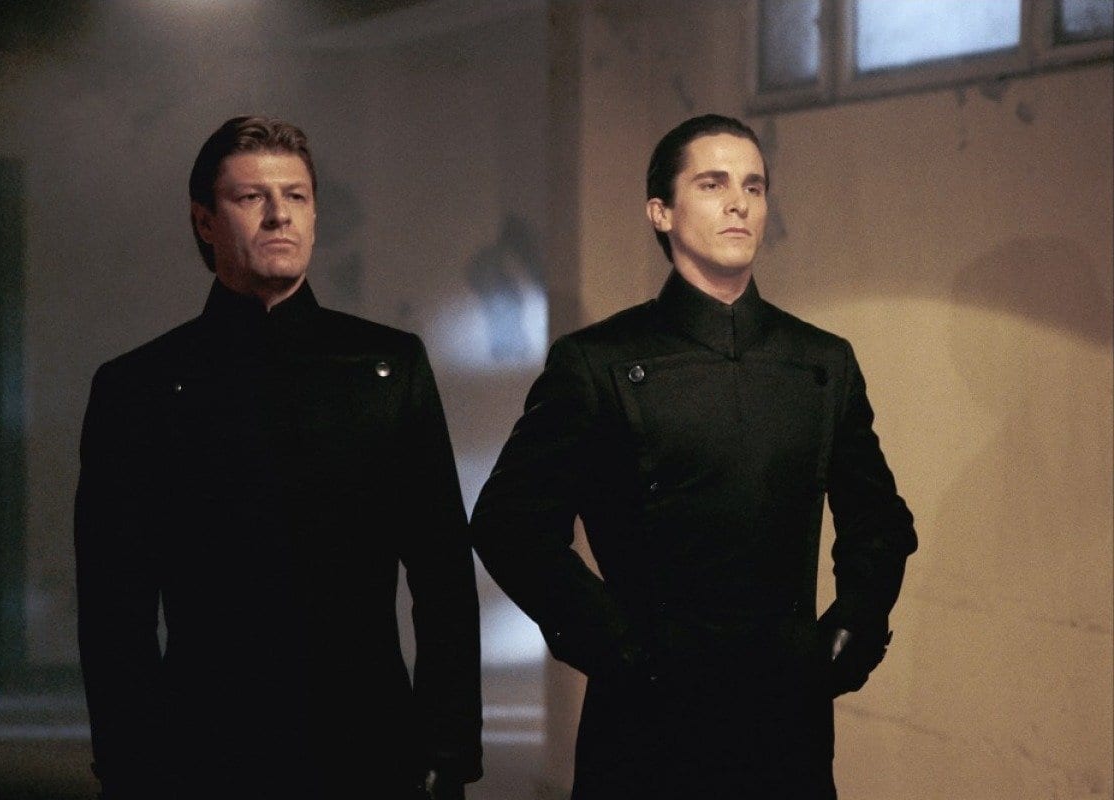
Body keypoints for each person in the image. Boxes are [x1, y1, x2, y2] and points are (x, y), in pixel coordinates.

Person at [470, 113, 917, 799]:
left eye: (753, 186)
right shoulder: (597, 362)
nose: (739, 202)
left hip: (785, 729)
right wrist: (620, 647)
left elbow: (878, 519)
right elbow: (510, 524)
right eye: (713, 184)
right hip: (645, 731)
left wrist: (855, 623)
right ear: (661, 211)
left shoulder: (822, 362)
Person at [74, 116, 482, 799]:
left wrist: (450, 747)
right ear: (204, 222)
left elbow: (442, 576)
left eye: (296, 196)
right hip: (204, 749)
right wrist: (127, 762)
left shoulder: (387, 366)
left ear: (315, 215)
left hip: (368, 743)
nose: (278, 215)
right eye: (250, 197)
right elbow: (115, 605)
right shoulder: (139, 385)